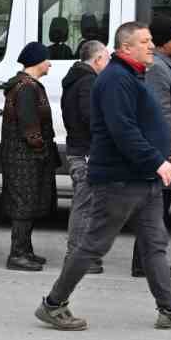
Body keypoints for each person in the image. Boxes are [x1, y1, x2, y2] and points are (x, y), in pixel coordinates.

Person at [35, 22, 171, 331]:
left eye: (151, 40)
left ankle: (169, 309)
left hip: (142, 179)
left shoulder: (133, 75)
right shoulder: (116, 79)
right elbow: (123, 130)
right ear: (126, 47)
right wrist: (157, 161)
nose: (151, 45)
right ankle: (53, 304)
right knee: (93, 245)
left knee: (154, 244)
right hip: (119, 180)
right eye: (145, 41)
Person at [141, 15, 171, 278]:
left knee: (158, 209)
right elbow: (161, 112)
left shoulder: (169, 66)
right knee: (155, 209)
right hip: (164, 153)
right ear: (164, 41)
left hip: (170, 150)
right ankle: (145, 263)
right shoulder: (158, 69)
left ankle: (148, 261)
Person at [2, 42, 58, 272]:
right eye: (47, 59)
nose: (50, 64)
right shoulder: (26, 88)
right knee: (23, 205)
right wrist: (40, 150)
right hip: (23, 157)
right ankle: (17, 255)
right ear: (37, 62)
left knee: (29, 203)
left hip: (25, 155)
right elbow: (30, 126)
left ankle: (25, 250)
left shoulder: (29, 85)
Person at [61, 38, 108, 271]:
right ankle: (76, 257)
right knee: (85, 206)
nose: (108, 63)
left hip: (78, 149)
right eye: (106, 58)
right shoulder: (89, 81)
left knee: (86, 205)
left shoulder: (75, 79)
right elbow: (91, 118)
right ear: (97, 59)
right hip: (86, 151)